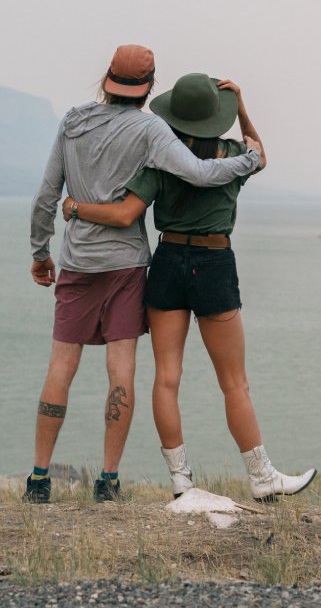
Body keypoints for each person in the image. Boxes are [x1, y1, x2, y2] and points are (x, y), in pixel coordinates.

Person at [61, 73, 315, 502]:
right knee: (234, 382)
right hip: (214, 263)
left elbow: (125, 215)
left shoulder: (161, 161)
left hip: (168, 262)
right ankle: (261, 478)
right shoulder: (234, 155)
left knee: (167, 379)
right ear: (217, 118)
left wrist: (74, 207)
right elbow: (261, 154)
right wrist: (244, 109)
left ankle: (182, 482)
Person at [27, 45, 263, 503]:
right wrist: (248, 160)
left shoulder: (72, 121)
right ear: (151, 87)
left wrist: (41, 252)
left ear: (106, 78)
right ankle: (108, 481)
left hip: (76, 262)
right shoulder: (151, 129)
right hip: (126, 265)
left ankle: (38, 479)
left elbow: (45, 195)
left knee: (61, 367)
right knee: (122, 371)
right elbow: (197, 172)